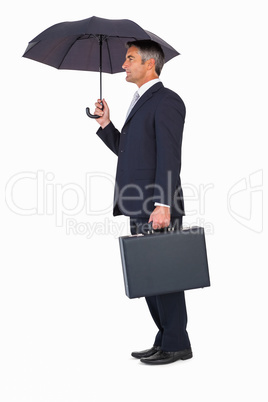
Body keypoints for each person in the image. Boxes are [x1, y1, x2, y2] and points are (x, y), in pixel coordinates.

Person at [93, 40, 192, 365]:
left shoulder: (166, 101)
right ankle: (165, 338)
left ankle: (177, 343)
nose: (124, 64)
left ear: (150, 64)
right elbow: (129, 152)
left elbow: (169, 156)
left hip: (156, 205)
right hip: (140, 205)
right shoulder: (140, 102)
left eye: (130, 58)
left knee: (166, 274)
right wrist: (106, 125)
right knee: (150, 274)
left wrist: (163, 203)